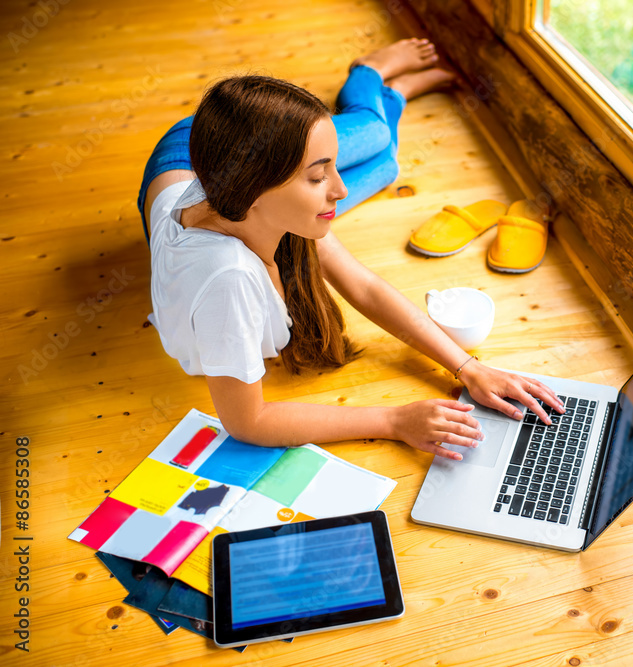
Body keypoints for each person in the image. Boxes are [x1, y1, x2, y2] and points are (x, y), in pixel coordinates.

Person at [137, 38, 564, 459]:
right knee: (382, 149)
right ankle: (375, 76)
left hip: (207, 148)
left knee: (382, 155)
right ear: (256, 189)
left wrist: (468, 368)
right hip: (200, 150)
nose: (338, 190)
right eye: (319, 177)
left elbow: (363, 287)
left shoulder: (250, 201)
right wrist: (393, 422)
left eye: (331, 169)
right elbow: (249, 421)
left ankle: (383, 89)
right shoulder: (227, 281)